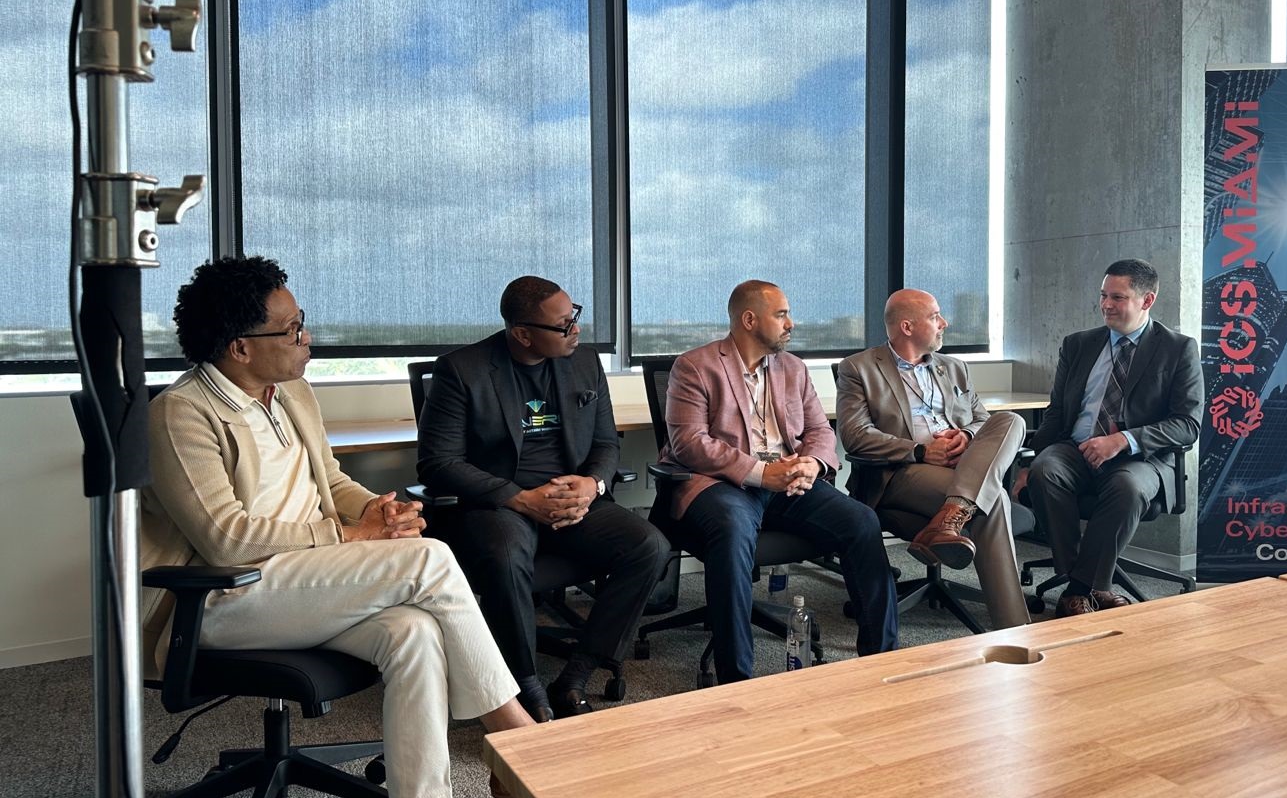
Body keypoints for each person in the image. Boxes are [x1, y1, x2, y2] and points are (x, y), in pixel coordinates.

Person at [142, 257, 527, 798]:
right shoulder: (180, 414)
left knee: (414, 631)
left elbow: (327, 482)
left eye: (303, 324)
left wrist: (372, 510)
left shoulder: (293, 394)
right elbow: (226, 538)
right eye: (291, 330)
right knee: (429, 561)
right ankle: (512, 735)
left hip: (307, 581)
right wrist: (354, 540)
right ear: (240, 348)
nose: (306, 340)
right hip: (221, 597)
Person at [417, 276, 668, 722]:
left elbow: (607, 442)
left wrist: (592, 484)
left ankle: (578, 672)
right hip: (502, 504)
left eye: (575, 316)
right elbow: (438, 463)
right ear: (522, 333)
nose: (575, 330)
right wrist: (519, 498)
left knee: (649, 545)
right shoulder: (463, 370)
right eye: (563, 325)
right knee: (505, 553)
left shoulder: (585, 363)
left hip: (573, 501)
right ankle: (523, 687)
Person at [660, 279, 898, 683]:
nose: (792, 323)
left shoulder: (793, 367)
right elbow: (689, 444)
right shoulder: (695, 366)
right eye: (782, 314)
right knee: (733, 531)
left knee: (860, 521)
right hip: (724, 483)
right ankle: (737, 678)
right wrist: (760, 473)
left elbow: (821, 431)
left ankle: (882, 659)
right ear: (749, 319)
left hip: (789, 481)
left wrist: (812, 465)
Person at [1012, 258, 1203, 617]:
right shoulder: (1078, 345)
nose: (1106, 305)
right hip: (1076, 450)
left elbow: (1188, 424)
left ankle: (1078, 589)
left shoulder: (1177, 349)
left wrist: (1123, 440)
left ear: (1147, 300)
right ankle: (1089, 584)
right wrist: (1030, 463)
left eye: (1117, 297)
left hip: (1140, 458)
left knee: (1127, 489)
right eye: (1103, 295)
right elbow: (1056, 414)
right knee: (1045, 471)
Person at [836, 289, 1030, 628]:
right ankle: (1014, 628)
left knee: (1012, 420)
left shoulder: (954, 367)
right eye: (935, 316)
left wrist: (965, 437)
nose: (945, 322)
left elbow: (982, 419)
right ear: (908, 326)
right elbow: (855, 435)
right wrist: (922, 450)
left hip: (964, 466)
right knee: (995, 498)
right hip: (903, 472)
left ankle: (949, 518)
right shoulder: (860, 368)